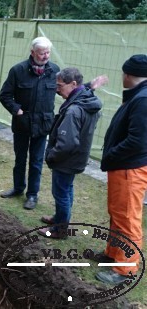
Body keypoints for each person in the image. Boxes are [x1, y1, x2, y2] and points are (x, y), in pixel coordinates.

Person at [95, 54, 147, 285]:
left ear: (127, 75)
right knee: (117, 215)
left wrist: (112, 155)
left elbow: (137, 141)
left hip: (129, 169)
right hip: (123, 168)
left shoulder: (143, 100)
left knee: (127, 218)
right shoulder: (138, 96)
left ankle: (124, 270)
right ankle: (112, 254)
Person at [37, 68, 104, 239]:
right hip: (77, 157)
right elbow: (83, 92)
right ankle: (61, 219)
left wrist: (52, 156)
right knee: (67, 189)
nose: (56, 89)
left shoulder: (74, 110)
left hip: (66, 160)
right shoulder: (88, 101)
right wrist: (92, 86)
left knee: (61, 193)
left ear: (73, 84)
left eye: (59, 85)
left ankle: (60, 230)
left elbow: (67, 143)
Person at [0, 37, 60, 210]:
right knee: (20, 159)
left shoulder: (54, 71)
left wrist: (87, 88)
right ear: (32, 52)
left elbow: (66, 89)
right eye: (42, 53)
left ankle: (32, 195)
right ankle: (18, 188)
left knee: (37, 161)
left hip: (42, 125)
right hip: (22, 124)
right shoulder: (18, 70)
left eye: (48, 52)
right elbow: (5, 95)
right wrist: (16, 109)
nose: (46, 56)